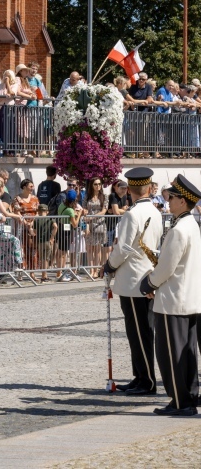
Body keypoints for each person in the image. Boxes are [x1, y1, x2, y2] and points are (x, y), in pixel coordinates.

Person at [140, 175, 201, 416]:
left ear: (183, 202)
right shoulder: (192, 224)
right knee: (187, 353)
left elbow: (167, 268)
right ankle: (189, 395)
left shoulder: (179, 229)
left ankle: (180, 401)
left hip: (173, 301)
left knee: (171, 355)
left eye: (173, 197)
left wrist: (149, 283)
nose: (168, 200)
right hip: (189, 299)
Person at [101, 167, 163, 396]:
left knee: (139, 333)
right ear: (148, 188)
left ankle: (147, 381)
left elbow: (123, 248)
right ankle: (140, 376)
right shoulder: (155, 211)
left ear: (130, 190)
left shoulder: (132, 214)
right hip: (146, 276)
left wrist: (109, 265)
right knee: (139, 332)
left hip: (134, 280)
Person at [12, 179, 39, 280]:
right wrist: (25, 222)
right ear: (24, 187)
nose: (32, 188)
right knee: (21, 249)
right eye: (30, 186)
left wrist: (32, 223)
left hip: (32, 227)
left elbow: (37, 212)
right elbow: (16, 211)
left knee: (33, 250)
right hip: (21, 227)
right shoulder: (17, 199)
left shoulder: (35, 199)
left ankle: (32, 272)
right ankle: (20, 273)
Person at [83, 178, 109, 279]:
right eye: (95, 184)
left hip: (99, 224)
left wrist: (91, 217)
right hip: (89, 225)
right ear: (91, 185)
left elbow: (104, 211)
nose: (98, 186)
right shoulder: (87, 196)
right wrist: (86, 221)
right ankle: (91, 270)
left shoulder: (104, 196)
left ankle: (96, 269)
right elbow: (84, 209)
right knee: (89, 248)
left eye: (99, 184)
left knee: (98, 248)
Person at [56, 190, 81, 282]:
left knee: (60, 253)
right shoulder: (70, 210)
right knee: (63, 254)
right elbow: (75, 224)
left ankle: (59, 273)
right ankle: (60, 274)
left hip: (60, 228)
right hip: (66, 232)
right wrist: (78, 215)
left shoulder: (62, 205)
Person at [32, 204, 58, 283]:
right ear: (47, 212)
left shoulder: (36, 220)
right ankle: (44, 275)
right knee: (46, 259)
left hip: (40, 242)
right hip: (48, 240)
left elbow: (35, 231)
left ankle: (44, 275)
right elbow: (55, 227)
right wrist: (52, 237)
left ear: (38, 211)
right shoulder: (50, 219)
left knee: (42, 258)